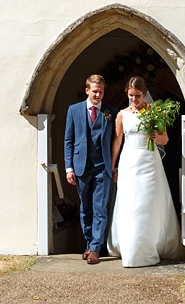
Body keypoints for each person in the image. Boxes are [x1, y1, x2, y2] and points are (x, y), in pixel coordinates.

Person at [108, 75, 181, 267]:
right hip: (129, 162)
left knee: (147, 203)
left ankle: (149, 245)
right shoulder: (122, 115)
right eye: (131, 96)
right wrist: (113, 165)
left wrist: (155, 135)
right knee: (130, 203)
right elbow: (117, 141)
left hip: (149, 162)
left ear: (144, 93)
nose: (134, 99)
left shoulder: (154, 112)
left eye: (138, 95)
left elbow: (165, 140)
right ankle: (130, 247)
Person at [64, 74, 116, 265]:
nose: (98, 95)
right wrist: (69, 167)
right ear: (87, 90)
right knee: (85, 208)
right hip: (81, 167)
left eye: (101, 92)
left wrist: (115, 165)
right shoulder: (74, 110)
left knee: (100, 207)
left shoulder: (111, 111)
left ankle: (95, 248)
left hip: (103, 166)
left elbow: (116, 141)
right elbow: (68, 140)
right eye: (95, 91)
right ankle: (88, 243)